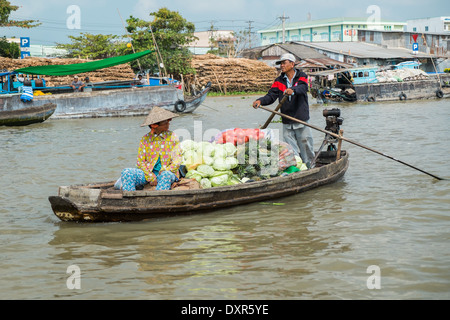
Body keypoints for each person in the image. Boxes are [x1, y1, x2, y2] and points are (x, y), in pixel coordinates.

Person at [253, 53, 315, 167]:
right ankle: (297, 169)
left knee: (306, 146)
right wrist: (260, 101)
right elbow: (271, 96)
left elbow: (303, 88)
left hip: (301, 118)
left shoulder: (302, 76)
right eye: (280, 63)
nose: (281, 65)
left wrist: (293, 90)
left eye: (284, 63)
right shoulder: (279, 80)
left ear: (292, 64)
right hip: (287, 119)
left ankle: (311, 167)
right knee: (290, 150)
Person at [115, 107, 182, 191]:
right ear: (154, 125)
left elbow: (177, 160)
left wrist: (164, 171)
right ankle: (131, 199)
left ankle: (157, 199)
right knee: (126, 172)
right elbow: (140, 162)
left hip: (168, 173)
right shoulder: (145, 140)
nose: (168, 124)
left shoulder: (172, 137)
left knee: (165, 175)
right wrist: (151, 177)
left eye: (168, 121)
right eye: (165, 122)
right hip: (148, 174)